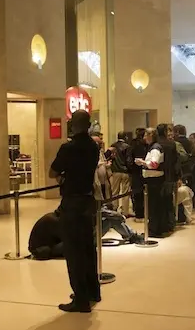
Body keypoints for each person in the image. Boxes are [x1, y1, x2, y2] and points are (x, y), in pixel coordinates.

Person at [50, 110, 100, 313]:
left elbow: (52, 171)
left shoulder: (68, 148)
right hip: (88, 200)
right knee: (88, 247)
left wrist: (64, 177)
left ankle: (80, 298)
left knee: (73, 250)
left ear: (74, 125)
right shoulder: (93, 147)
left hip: (72, 202)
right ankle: (92, 291)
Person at [28, 206, 142, 260]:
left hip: (49, 246)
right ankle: (132, 235)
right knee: (78, 242)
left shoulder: (54, 217)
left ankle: (131, 235)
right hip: (44, 249)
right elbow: (70, 237)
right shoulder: (54, 221)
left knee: (110, 220)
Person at [135, 128, 167, 237]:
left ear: (150, 136)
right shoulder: (153, 147)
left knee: (154, 206)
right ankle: (154, 228)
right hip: (154, 180)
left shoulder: (155, 148)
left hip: (154, 180)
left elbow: (154, 164)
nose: (144, 138)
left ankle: (154, 230)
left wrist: (142, 162)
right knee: (154, 206)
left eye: (145, 136)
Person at [157, 124, 179, 233]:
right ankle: (170, 223)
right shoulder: (171, 144)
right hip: (169, 176)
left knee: (158, 202)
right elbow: (175, 161)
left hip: (158, 177)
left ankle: (161, 224)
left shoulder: (156, 144)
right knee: (168, 201)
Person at [127, 128, 147, 222]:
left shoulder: (133, 144)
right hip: (144, 172)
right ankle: (143, 213)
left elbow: (129, 159)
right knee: (143, 194)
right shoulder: (146, 145)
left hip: (135, 173)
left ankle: (139, 214)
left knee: (137, 194)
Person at [110, 132, 131, 214]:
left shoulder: (113, 146)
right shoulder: (127, 147)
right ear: (125, 137)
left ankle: (114, 209)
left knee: (115, 191)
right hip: (125, 171)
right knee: (125, 192)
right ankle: (125, 211)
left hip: (115, 171)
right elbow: (129, 160)